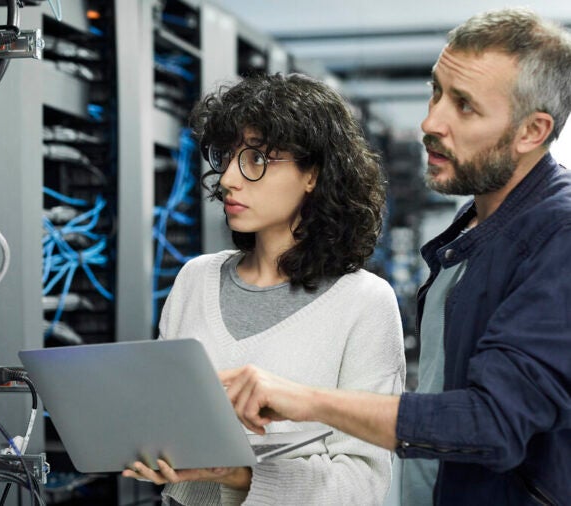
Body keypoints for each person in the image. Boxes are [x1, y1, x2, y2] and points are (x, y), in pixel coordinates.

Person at [220, 7, 571, 506]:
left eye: (464, 106)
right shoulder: (478, 225)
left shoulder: (558, 237)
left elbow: (492, 423)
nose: (431, 121)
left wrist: (305, 400)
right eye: (436, 91)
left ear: (532, 131)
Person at [120, 73, 406, 505]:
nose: (229, 179)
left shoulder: (364, 302)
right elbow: (165, 422)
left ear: (313, 174)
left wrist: (242, 478)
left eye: (255, 159)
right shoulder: (196, 278)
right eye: (227, 157)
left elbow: (363, 482)